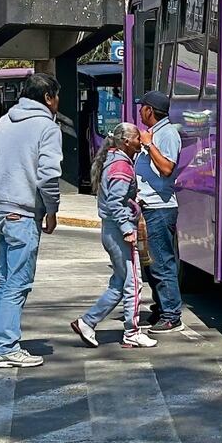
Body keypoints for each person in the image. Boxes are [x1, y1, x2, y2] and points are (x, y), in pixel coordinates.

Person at [0, 73, 63, 368]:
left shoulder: (4, 122)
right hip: (24, 215)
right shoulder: (48, 128)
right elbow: (49, 175)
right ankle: (6, 346)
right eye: (57, 97)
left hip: (2, 212)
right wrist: (51, 210)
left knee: (5, 281)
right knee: (18, 284)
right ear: (48, 97)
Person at [71, 123, 158, 349]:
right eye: (138, 138)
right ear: (127, 142)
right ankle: (132, 331)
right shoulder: (121, 166)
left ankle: (87, 322)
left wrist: (132, 204)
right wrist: (128, 229)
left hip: (111, 229)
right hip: (119, 232)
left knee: (119, 284)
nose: (141, 142)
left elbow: (116, 198)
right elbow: (115, 201)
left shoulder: (113, 160)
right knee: (133, 283)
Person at [135, 90, 185, 334]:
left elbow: (166, 168)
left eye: (141, 107)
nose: (139, 111)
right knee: (151, 264)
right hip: (147, 206)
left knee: (163, 262)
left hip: (160, 208)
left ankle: (172, 315)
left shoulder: (167, 134)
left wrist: (148, 145)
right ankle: (160, 307)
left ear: (150, 110)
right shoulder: (155, 133)